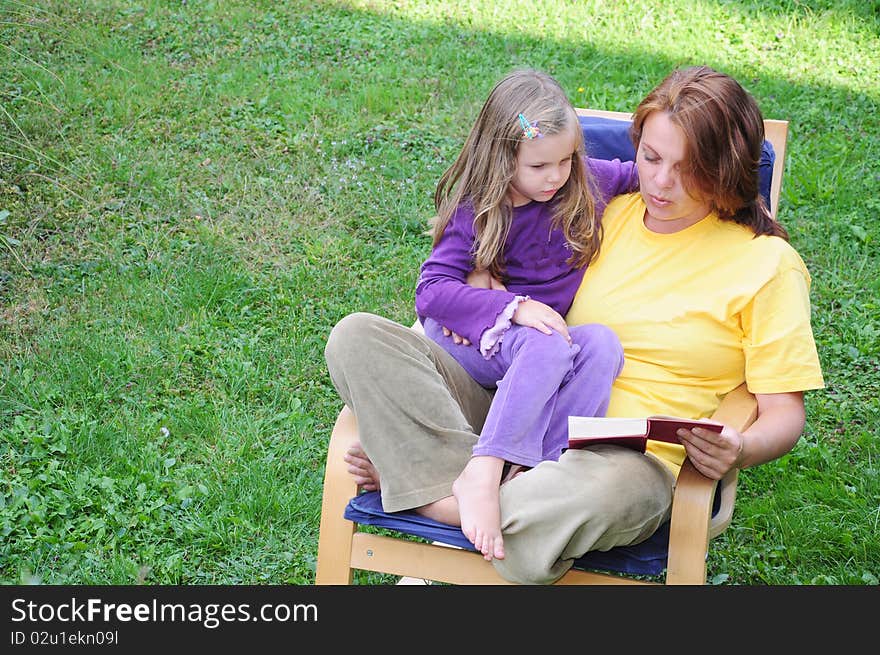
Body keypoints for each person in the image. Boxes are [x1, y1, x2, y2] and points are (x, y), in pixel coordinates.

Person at [324, 65, 824, 584]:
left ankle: (428, 492)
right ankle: (476, 486)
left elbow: (783, 413)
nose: (660, 181)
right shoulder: (597, 205)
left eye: (689, 167)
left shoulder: (766, 265)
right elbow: (497, 239)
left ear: (726, 168)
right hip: (515, 405)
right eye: (650, 157)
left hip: (626, 460)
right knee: (357, 337)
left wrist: (739, 448)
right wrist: (483, 290)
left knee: (586, 496)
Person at [414, 69, 637, 561]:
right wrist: (514, 307)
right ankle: (485, 469)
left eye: (565, 160)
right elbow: (431, 292)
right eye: (539, 165)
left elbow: (649, 175)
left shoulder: (586, 182)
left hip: (540, 346)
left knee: (601, 344)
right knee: (547, 342)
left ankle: (539, 473)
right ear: (502, 156)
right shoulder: (477, 209)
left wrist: (733, 193)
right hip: (478, 338)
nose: (555, 176)